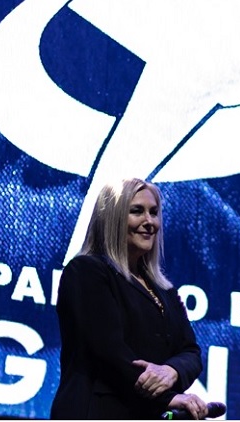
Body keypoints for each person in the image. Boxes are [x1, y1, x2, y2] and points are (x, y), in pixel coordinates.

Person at [50, 178, 209, 419]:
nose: (149, 222)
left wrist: (171, 370)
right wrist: (169, 398)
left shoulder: (164, 290)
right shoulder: (86, 271)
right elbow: (108, 352)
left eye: (154, 213)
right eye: (137, 211)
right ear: (112, 218)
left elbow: (191, 352)